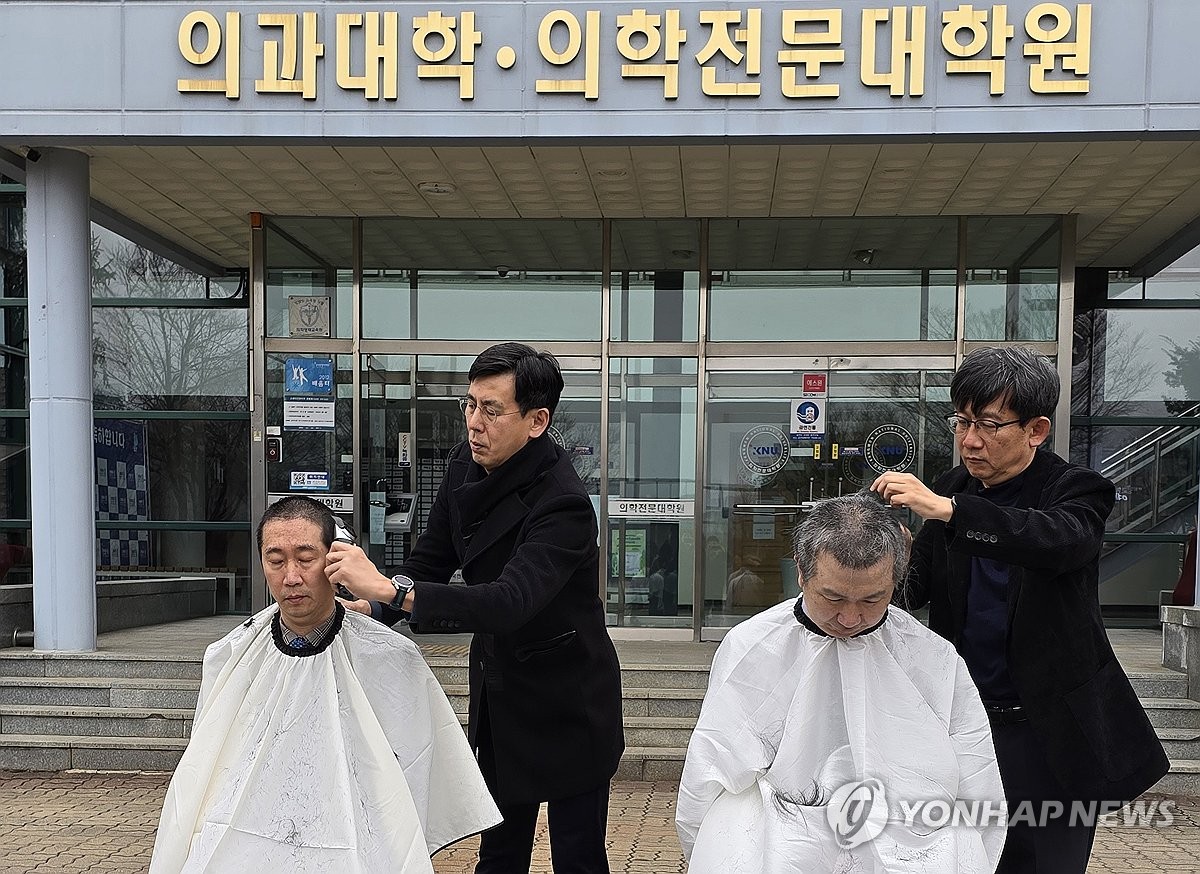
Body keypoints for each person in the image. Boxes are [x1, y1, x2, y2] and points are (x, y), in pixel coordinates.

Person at [327, 342, 624, 874]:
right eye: (468, 404)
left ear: (537, 421)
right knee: (498, 854)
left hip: (570, 702)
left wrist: (393, 592)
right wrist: (376, 609)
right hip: (502, 695)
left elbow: (511, 602)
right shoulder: (466, 463)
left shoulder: (564, 504)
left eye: (491, 410)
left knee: (577, 858)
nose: (473, 422)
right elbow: (431, 558)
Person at [871, 345, 1169, 874]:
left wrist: (950, 513)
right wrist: (886, 563)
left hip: (1051, 732)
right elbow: (917, 590)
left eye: (988, 424)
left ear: (1036, 430)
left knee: (1049, 863)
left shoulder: (1076, 490)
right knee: (972, 858)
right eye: (961, 421)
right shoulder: (952, 489)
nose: (969, 440)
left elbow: (1058, 542)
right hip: (969, 724)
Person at [150, 496, 500, 874]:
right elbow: (205, 771)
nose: (291, 577)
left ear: (335, 561)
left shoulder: (389, 657)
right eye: (276, 560)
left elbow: (416, 770)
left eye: (305, 558)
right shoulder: (231, 656)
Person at [676, 493, 1006, 874]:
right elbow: (712, 764)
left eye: (872, 599)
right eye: (832, 597)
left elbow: (976, 770)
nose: (850, 619)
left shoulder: (932, 657)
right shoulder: (753, 647)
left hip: (912, 837)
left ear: (896, 579)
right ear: (801, 571)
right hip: (777, 839)